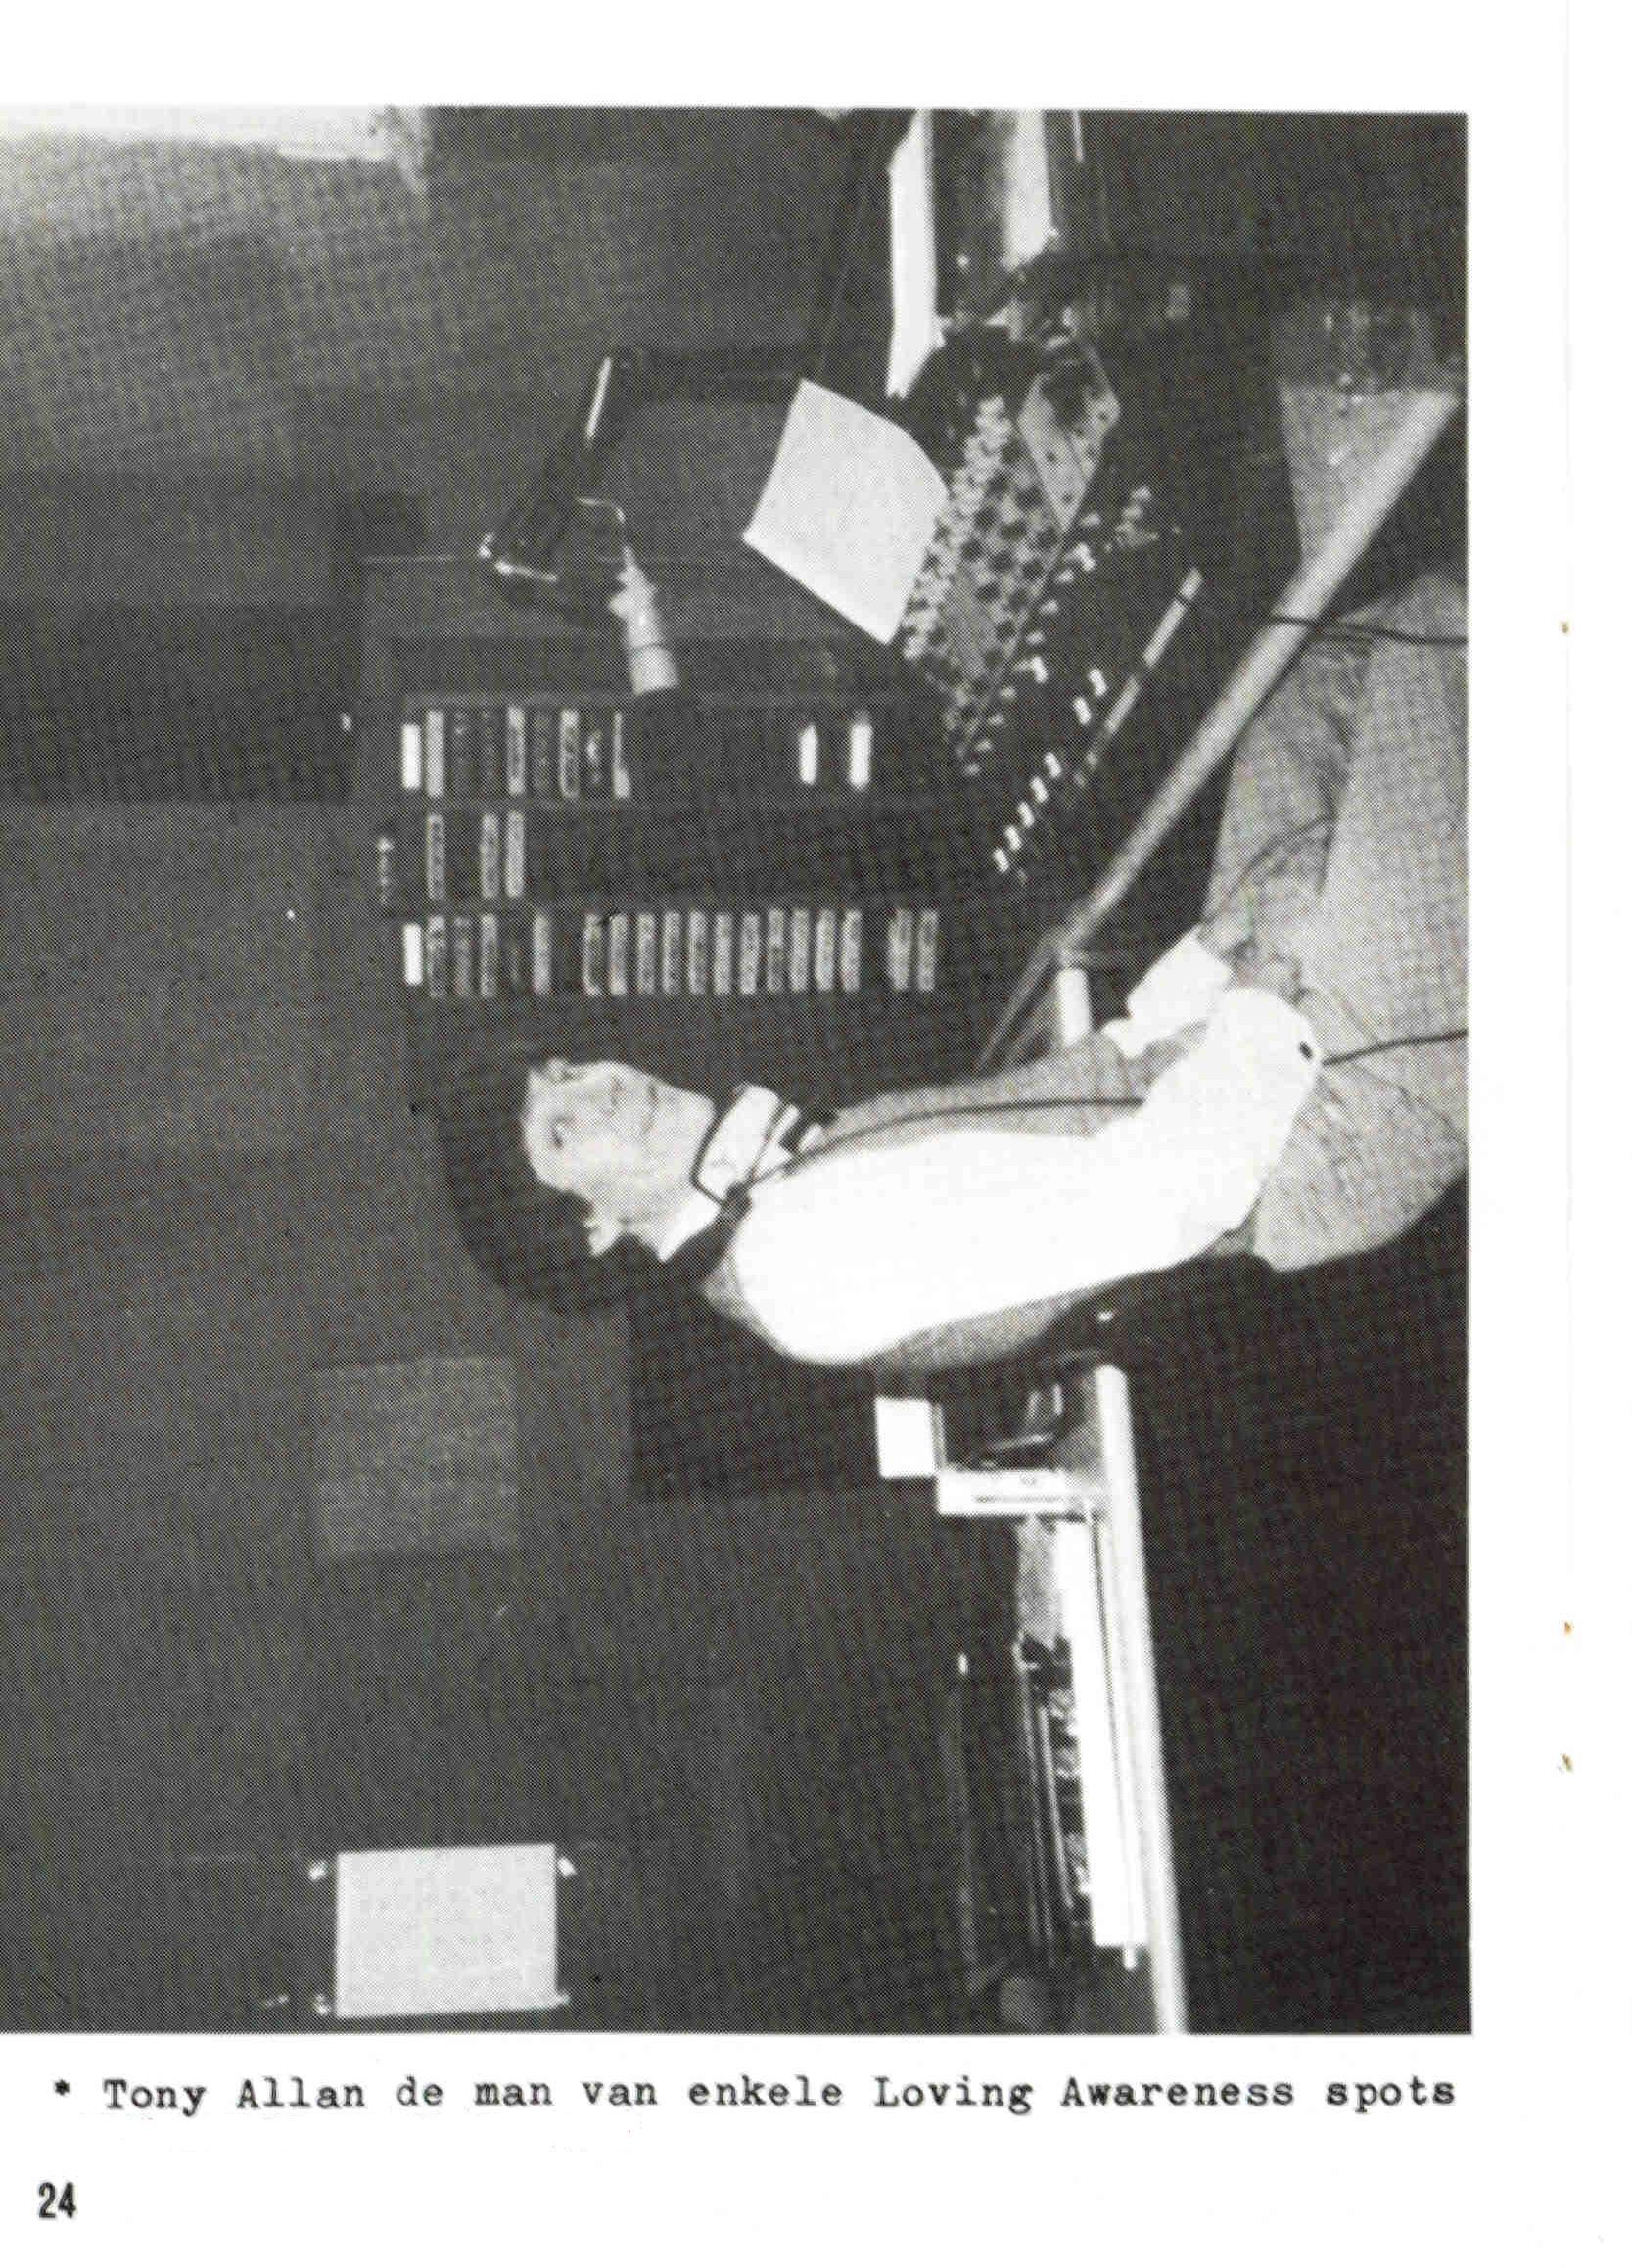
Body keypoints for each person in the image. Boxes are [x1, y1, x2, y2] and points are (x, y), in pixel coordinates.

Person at [436, 571, 1466, 1376]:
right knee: (1442, 634)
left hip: (1231, 1058)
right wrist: (1268, 968)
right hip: (1319, 1113)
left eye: (564, 1070)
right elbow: (1169, 1195)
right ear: (593, 1227)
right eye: (561, 1128)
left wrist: (1217, 949)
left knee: (1333, 672)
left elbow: (1107, 1067)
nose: (598, 1086)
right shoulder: (797, 1261)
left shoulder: (775, 1179)